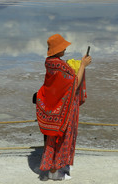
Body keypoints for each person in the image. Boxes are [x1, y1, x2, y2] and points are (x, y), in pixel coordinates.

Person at [35, 34, 92, 181]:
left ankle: (58, 166)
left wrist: (73, 65)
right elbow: (74, 83)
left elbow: (59, 81)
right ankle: (55, 171)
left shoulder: (49, 62)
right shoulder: (61, 66)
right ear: (57, 49)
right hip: (64, 108)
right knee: (63, 137)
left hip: (53, 105)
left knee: (52, 139)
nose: (65, 49)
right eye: (63, 47)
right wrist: (83, 66)